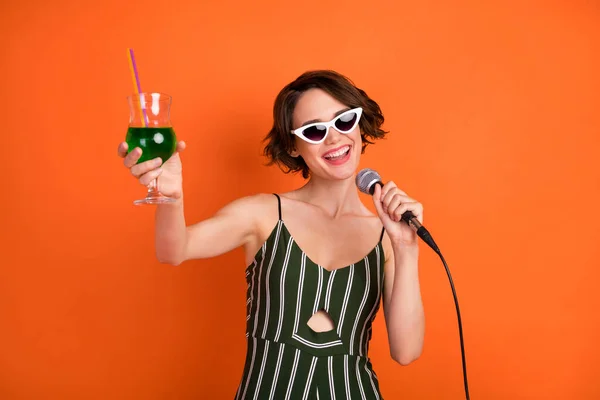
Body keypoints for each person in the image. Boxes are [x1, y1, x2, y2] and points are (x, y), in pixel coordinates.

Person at [118, 70, 425, 399]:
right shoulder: (262, 214)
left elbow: (405, 352)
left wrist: (406, 248)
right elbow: (174, 250)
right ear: (293, 145)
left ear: (359, 125)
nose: (334, 138)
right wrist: (171, 197)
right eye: (315, 130)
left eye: (344, 121)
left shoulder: (386, 236)